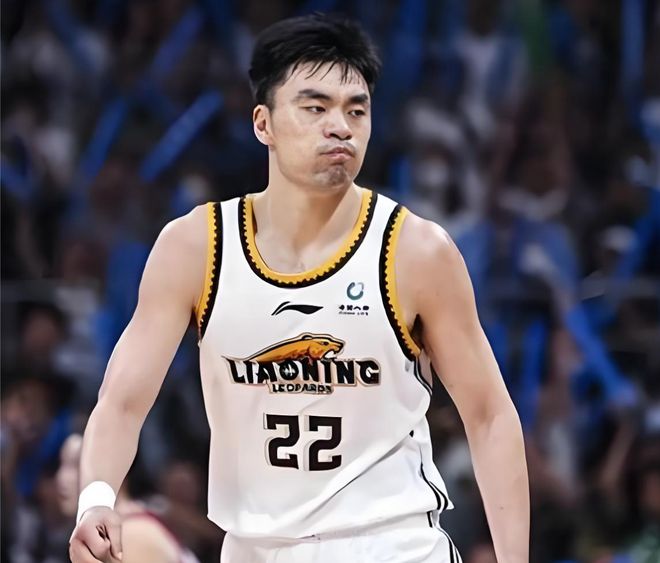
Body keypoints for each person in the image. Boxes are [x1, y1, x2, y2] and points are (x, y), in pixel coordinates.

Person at [69, 13, 529, 563]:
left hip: (393, 545)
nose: (340, 127)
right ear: (263, 123)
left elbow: (490, 415)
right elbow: (121, 402)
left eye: (356, 110)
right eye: (316, 108)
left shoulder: (417, 252)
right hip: (255, 547)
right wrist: (96, 499)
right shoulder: (196, 247)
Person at [58, 434, 200, 562]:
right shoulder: (118, 530)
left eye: (77, 464)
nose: (62, 478)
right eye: (61, 464)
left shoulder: (131, 535)